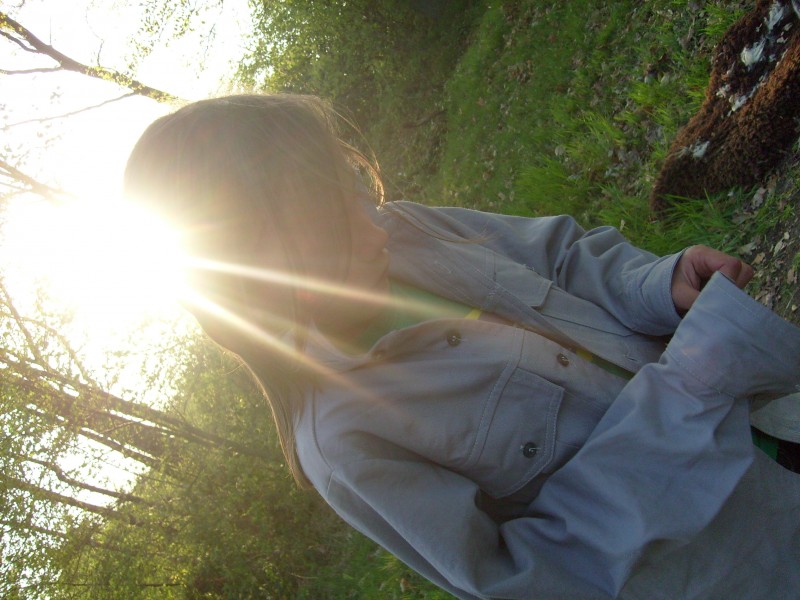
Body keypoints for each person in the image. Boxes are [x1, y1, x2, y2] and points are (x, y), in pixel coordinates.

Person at [124, 94, 800, 599]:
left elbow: (558, 255)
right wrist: (689, 391)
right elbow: (532, 578)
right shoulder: (347, 445)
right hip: (745, 560)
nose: (374, 224)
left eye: (352, 188)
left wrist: (655, 284)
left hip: (772, 418)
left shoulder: (406, 230)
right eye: (333, 222)